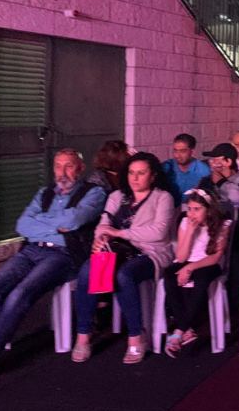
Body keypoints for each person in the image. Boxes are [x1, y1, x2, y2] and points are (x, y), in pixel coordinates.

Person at [0, 150, 105, 377]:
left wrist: (42, 223)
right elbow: (22, 225)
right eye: (58, 166)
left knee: (20, 293)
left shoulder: (94, 193)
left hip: (63, 255)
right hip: (31, 250)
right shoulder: (44, 193)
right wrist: (58, 226)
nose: (62, 172)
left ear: (80, 168)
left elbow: (75, 220)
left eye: (68, 166)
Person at [72, 152, 176, 365]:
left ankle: (136, 335)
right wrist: (101, 239)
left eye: (141, 173)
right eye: (131, 173)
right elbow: (103, 223)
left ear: (153, 176)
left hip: (150, 252)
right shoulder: (117, 196)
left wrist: (120, 233)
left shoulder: (163, 197)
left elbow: (159, 232)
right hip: (117, 250)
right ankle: (83, 335)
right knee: (87, 271)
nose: (134, 178)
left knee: (123, 275)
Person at [162, 188, 230, 357]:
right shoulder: (185, 223)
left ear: (209, 210)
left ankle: (179, 331)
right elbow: (181, 257)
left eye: (197, 209)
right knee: (169, 276)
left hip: (208, 263)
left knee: (201, 279)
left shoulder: (222, 225)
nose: (191, 214)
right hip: (186, 261)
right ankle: (186, 330)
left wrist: (190, 268)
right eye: (190, 209)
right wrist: (190, 233)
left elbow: (215, 257)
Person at [198, 143, 239, 215]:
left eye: (215, 160)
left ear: (228, 162)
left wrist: (221, 182)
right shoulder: (207, 181)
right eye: (211, 160)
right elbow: (198, 202)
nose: (212, 164)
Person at [162, 133, 211, 205]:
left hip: (191, 208)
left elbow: (206, 199)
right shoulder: (167, 167)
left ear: (192, 152)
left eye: (182, 151)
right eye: (175, 150)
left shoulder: (203, 171)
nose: (177, 155)